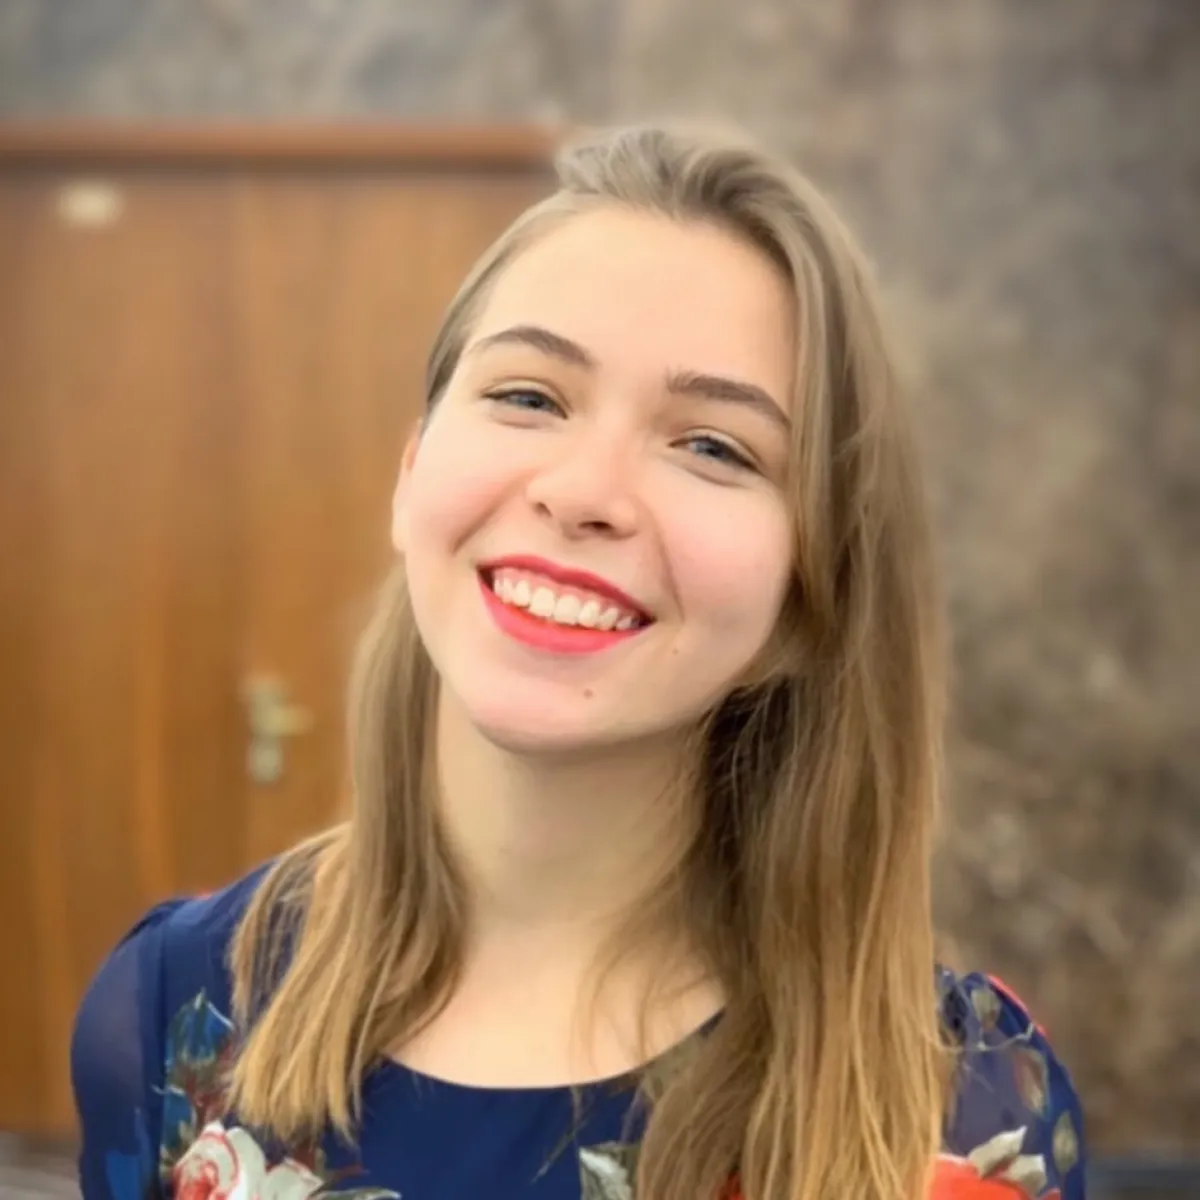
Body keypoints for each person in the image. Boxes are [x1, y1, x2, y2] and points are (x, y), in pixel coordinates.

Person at [71, 123, 1086, 1200]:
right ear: (412, 471)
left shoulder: (967, 1116)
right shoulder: (174, 1012)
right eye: (528, 395)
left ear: (808, 594)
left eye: (713, 446)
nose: (583, 492)